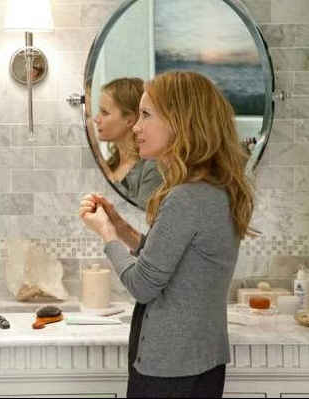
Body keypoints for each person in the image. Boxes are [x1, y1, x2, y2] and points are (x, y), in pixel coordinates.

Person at [79, 71, 255, 398]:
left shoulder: (187, 197)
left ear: (181, 122)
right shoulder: (211, 190)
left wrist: (106, 234)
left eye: (146, 115)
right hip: (197, 363)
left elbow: (143, 285)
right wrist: (123, 228)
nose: (136, 127)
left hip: (170, 371)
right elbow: (176, 262)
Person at [93, 78, 162, 208]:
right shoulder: (112, 163)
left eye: (105, 113)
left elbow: (140, 219)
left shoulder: (153, 168)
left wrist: (106, 173)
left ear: (129, 120)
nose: (96, 119)